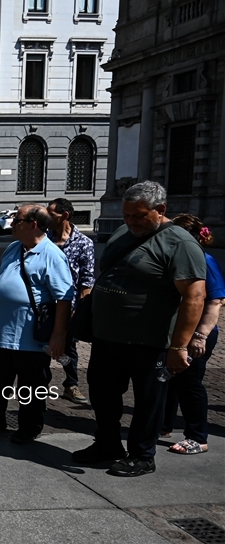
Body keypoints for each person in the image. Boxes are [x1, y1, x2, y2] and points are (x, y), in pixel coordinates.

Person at [71, 181, 206, 477]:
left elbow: (194, 296)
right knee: (103, 392)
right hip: (107, 337)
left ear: (161, 210)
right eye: (127, 216)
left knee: (147, 400)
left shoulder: (180, 243)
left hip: (150, 340)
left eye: (139, 216)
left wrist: (179, 346)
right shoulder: (124, 231)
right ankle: (107, 444)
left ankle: (142, 455)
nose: (131, 222)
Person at [0, 204, 74, 443]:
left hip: (30, 338)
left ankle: (29, 426)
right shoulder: (13, 248)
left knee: (31, 386)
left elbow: (64, 298)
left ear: (33, 225)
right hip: (0, 334)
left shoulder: (52, 255)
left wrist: (58, 335)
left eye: (17, 220)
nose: (12, 224)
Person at [160, 215, 223, 455]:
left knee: (189, 384)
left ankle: (198, 436)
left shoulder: (206, 261)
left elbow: (216, 301)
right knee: (169, 381)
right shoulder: (175, 260)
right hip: (175, 332)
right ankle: (164, 425)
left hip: (196, 334)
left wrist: (200, 336)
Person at [46, 198, 95, 404]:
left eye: (51, 213)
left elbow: (86, 280)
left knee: (68, 348)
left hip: (70, 305)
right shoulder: (44, 239)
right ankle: (41, 382)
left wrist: (80, 310)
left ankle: (71, 384)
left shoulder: (84, 243)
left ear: (65, 215)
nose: (46, 217)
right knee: (41, 344)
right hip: (44, 304)